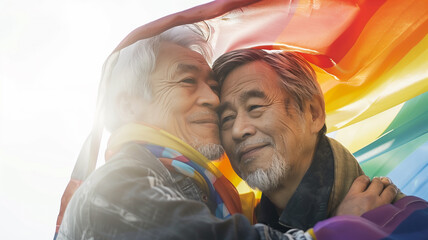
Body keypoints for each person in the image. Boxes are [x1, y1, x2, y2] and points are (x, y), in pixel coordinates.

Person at [56, 25, 398, 240]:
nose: (212, 99)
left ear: (312, 113)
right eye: (188, 81)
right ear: (128, 106)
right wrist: (340, 230)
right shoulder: (114, 190)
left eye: (211, 85)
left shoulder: (213, 197)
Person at [213, 49, 405, 232]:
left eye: (255, 107)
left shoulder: (411, 220)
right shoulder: (232, 225)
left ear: (313, 113)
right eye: (227, 119)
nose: (238, 130)